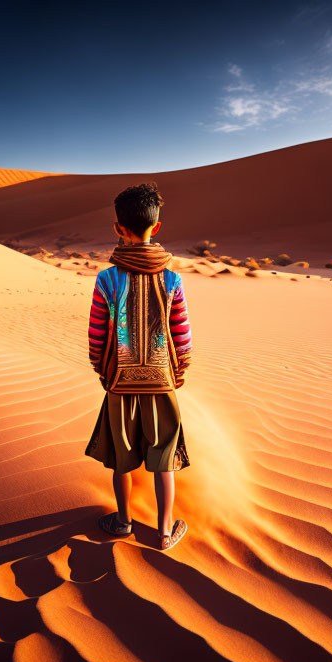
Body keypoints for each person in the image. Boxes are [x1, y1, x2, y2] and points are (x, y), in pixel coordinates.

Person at [84, 182, 191, 550]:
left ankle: (124, 522)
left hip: (119, 381)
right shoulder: (173, 279)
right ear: (156, 228)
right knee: (164, 457)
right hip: (161, 381)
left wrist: (102, 369)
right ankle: (163, 532)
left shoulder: (107, 279)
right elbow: (182, 334)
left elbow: (97, 333)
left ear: (117, 227)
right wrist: (180, 370)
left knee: (121, 456)